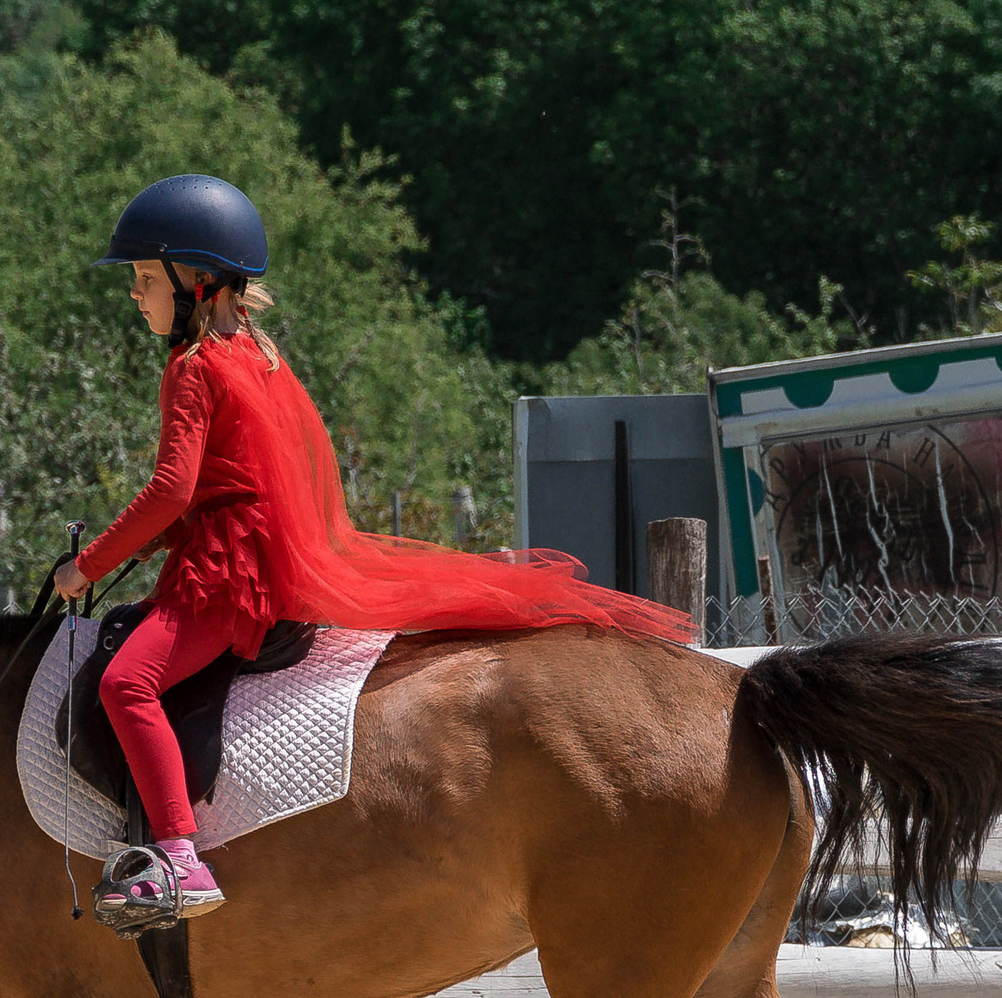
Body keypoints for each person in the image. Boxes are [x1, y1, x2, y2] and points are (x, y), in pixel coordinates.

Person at [54, 174, 696, 917]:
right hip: (254, 563)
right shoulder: (257, 354)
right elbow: (217, 485)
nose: (135, 294)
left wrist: (89, 562)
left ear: (194, 281)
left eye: (143, 278)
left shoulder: (191, 367)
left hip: (224, 578)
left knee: (124, 683)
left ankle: (176, 855)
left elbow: (171, 489)